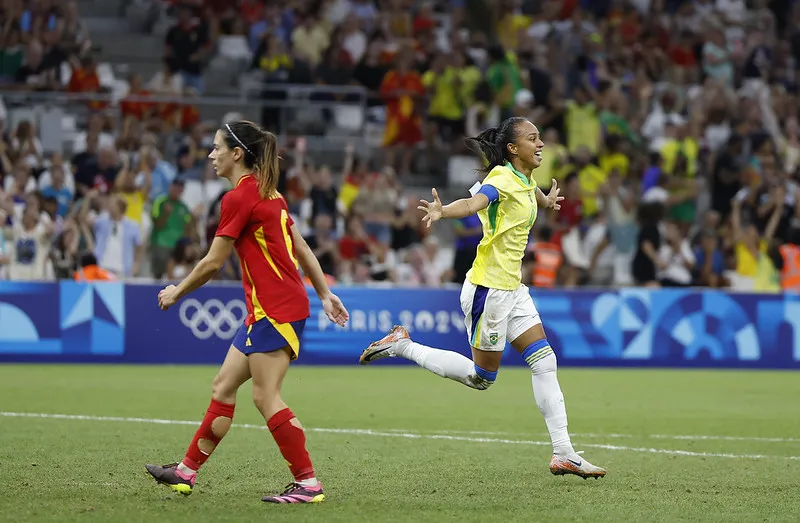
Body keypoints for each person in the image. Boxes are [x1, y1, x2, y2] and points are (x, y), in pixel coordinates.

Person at [359, 117, 607, 479]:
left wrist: (546, 199)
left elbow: (528, 190)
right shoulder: (501, 179)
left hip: (513, 289)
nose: (541, 145)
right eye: (533, 139)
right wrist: (442, 211)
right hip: (489, 291)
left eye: (541, 138)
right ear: (512, 148)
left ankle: (563, 453)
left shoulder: (522, 177)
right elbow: (475, 202)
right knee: (481, 379)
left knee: (544, 362)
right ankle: (402, 345)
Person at [145, 120, 349, 503]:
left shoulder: (239, 198)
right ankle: (186, 472)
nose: (211, 154)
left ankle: (308, 484)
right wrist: (324, 293)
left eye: (216, 147)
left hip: (277, 311)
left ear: (236, 153)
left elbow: (212, 263)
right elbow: (301, 246)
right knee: (223, 386)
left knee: (265, 396)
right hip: (269, 311)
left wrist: (176, 291)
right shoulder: (269, 193)